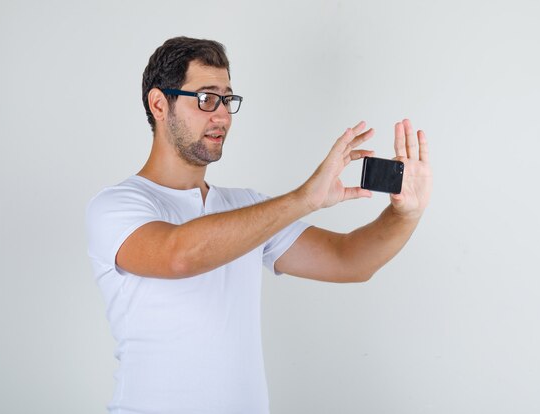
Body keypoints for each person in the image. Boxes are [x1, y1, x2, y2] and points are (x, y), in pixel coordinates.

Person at [86, 36, 432, 414]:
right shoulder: (118, 205)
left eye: (228, 99)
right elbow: (179, 256)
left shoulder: (248, 207)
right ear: (159, 104)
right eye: (206, 98)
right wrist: (304, 198)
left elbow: (349, 260)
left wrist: (405, 214)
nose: (221, 116)